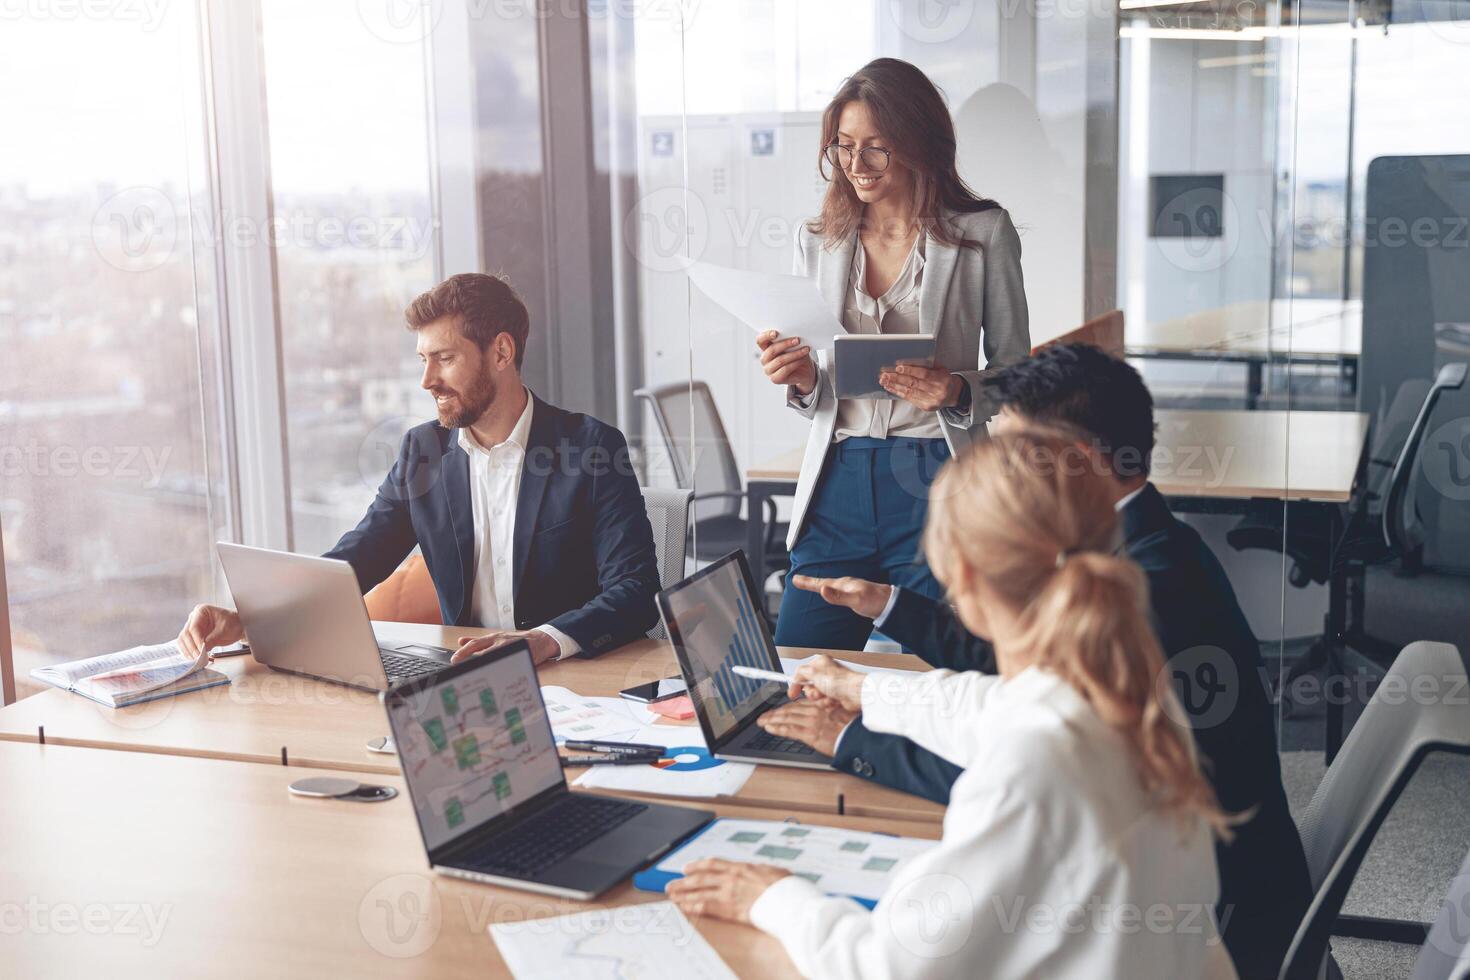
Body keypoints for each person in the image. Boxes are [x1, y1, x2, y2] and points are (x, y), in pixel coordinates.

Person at [757, 344, 1311, 980]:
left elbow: (891, 965)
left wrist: (773, 889)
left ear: (1073, 466)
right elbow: (1013, 699)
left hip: (1227, 927)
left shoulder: (1149, 596)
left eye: (1010, 454)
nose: (997, 467)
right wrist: (876, 665)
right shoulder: (1132, 559)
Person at [668, 428, 1239, 980]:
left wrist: (770, 895)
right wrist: (863, 689)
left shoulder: (1034, 767)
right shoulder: (1122, 681)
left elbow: (884, 970)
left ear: (958, 574)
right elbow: (988, 705)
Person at [177, 273, 661, 666]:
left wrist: (541, 641)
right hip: (463, 677)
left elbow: (636, 590)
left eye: (444, 359)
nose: (427, 380)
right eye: (423, 360)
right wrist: (250, 617)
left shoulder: (592, 448)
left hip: (576, 677)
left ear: (501, 353)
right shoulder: (423, 453)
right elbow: (356, 560)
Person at [755, 57, 1029, 651]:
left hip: (939, 479)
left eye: (876, 148)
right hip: (839, 477)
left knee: (947, 672)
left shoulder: (983, 234)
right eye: (844, 147)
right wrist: (800, 380)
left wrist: (957, 391)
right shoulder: (820, 240)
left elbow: (1020, 376)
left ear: (918, 142)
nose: (856, 166)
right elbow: (816, 385)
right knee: (803, 669)